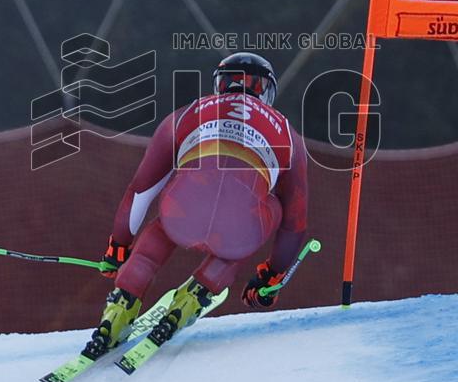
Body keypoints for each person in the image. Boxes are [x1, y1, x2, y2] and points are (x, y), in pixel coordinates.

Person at [81, 52, 309, 359]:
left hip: (185, 208)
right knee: (267, 212)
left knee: (163, 223)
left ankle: (122, 302)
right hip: (239, 222)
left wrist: (118, 247)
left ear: (220, 85)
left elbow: (141, 191)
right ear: (266, 90)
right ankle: (196, 294)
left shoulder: (186, 114)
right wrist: (272, 277)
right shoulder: (288, 135)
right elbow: (295, 222)